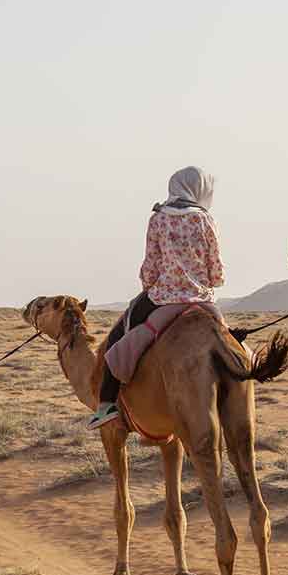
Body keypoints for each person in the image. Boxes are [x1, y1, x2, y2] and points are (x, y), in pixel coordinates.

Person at [87, 165, 225, 430]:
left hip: (163, 297)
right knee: (232, 339)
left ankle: (106, 405)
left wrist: (150, 285)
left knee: (119, 335)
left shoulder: (159, 218)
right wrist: (205, 282)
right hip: (201, 298)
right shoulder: (206, 219)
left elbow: (151, 265)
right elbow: (216, 270)